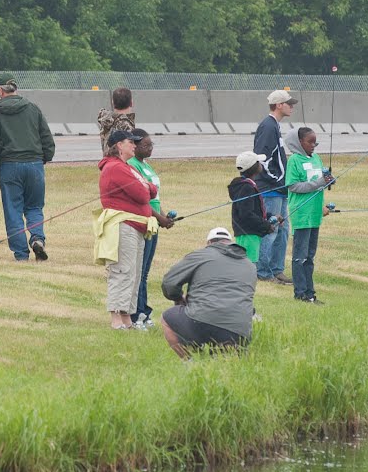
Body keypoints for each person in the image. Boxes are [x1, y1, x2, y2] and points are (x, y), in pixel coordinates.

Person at [0, 75, 56, 261]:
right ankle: (37, 239)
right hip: (34, 164)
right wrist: (45, 156)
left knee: (13, 209)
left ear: (0, 91)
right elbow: (46, 137)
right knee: (34, 207)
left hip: (9, 165)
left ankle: (21, 253)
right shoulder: (33, 108)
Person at [159, 227, 257, 360]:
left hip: (201, 322)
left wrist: (178, 299)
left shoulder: (201, 255)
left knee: (167, 317)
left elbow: (169, 283)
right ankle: (219, 358)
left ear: (210, 243)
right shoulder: (250, 265)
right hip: (239, 332)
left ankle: (190, 362)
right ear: (230, 242)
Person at [96, 129, 156, 330]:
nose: (134, 145)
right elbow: (142, 194)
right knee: (122, 271)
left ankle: (127, 317)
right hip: (123, 225)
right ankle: (116, 319)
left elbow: (152, 188)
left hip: (136, 225)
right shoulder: (115, 167)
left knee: (134, 274)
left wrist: (146, 187)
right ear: (119, 145)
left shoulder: (128, 167)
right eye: (130, 142)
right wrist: (146, 187)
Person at [127, 130, 175, 327]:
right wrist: (159, 218)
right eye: (146, 145)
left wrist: (164, 217)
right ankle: (137, 314)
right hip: (143, 220)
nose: (150, 148)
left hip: (154, 221)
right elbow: (141, 200)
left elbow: (154, 198)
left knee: (145, 271)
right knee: (139, 271)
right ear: (135, 146)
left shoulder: (146, 165)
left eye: (151, 144)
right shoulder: (132, 166)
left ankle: (144, 313)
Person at [285, 127, 336, 303]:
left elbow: (319, 182)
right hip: (301, 213)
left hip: (314, 214)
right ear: (299, 143)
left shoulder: (315, 158)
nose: (314, 145)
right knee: (300, 256)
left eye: (316, 142)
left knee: (310, 257)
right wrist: (319, 183)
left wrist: (328, 180)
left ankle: (310, 293)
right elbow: (294, 186)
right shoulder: (294, 161)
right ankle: (300, 293)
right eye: (310, 142)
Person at [253, 90, 295, 283]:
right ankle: (263, 271)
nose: (291, 106)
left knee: (283, 229)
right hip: (271, 188)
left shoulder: (275, 126)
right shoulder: (268, 126)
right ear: (279, 105)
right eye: (288, 103)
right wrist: (278, 178)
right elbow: (263, 158)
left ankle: (277, 269)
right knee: (271, 229)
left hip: (280, 188)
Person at [229, 150, 276, 264]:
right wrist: (266, 226)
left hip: (249, 234)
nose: (261, 164)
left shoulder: (246, 185)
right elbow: (246, 214)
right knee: (248, 265)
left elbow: (254, 210)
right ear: (254, 167)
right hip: (248, 234)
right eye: (259, 162)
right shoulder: (246, 188)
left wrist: (271, 216)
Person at [97, 87, 135, 154]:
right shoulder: (126, 125)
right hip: (120, 163)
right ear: (131, 103)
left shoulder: (106, 120)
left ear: (113, 103)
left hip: (107, 162)